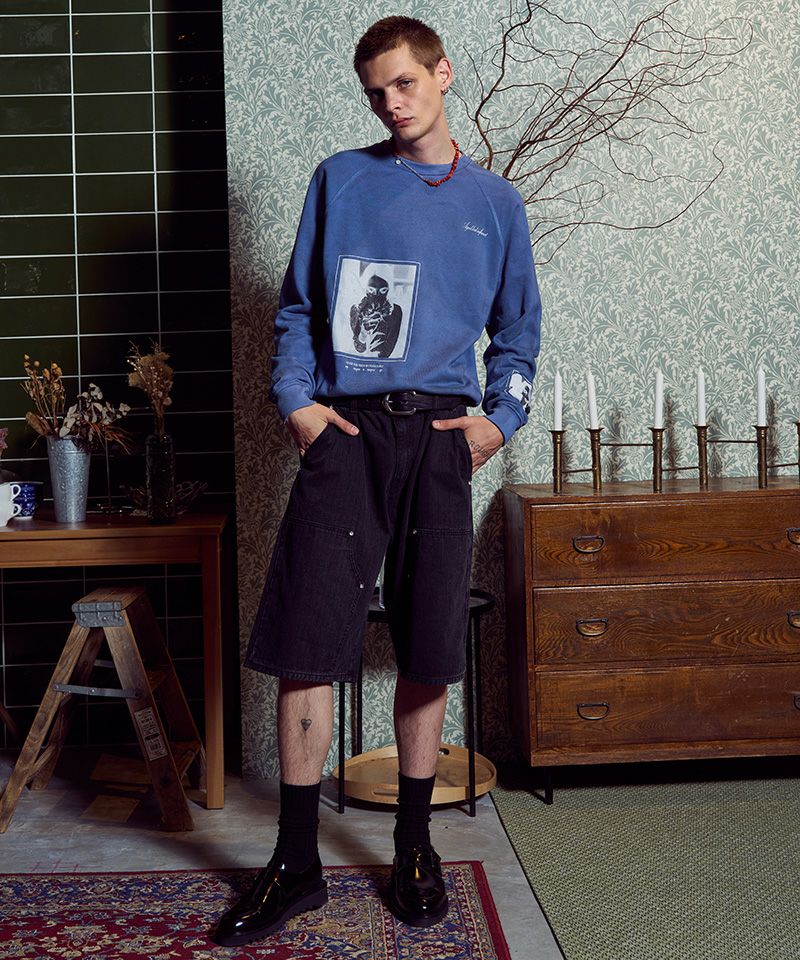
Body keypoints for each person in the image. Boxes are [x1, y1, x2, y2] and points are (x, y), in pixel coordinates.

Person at [212, 15, 541, 947]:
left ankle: (413, 847)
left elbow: (519, 335)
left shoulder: (495, 203)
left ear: (443, 74)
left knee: (429, 643)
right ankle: (296, 863)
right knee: (310, 641)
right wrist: (297, 405)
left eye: (404, 83)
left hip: (438, 441)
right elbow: (297, 310)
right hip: (347, 435)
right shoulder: (341, 179)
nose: (390, 104)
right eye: (375, 93)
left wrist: (499, 420)